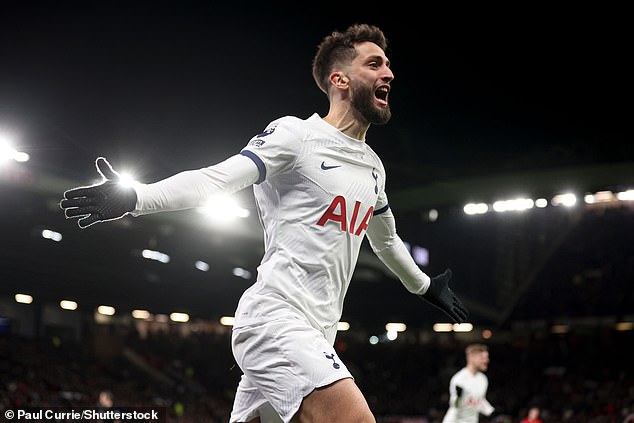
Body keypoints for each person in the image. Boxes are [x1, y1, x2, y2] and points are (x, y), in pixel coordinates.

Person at [60, 24, 468, 423]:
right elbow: (217, 178)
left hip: (317, 333)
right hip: (276, 320)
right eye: (375, 64)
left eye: (388, 66)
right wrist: (136, 197)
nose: (389, 74)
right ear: (339, 79)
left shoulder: (373, 168)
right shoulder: (296, 135)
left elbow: (386, 240)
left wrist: (425, 286)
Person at [442, 343, 494, 423]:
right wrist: (458, 398)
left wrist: (493, 413)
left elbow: (480, 401)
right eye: (482, 358)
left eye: (487, 358)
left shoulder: (483, 379)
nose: (486, 360)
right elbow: (455, 406)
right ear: (471, 358)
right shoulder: (459, 379)